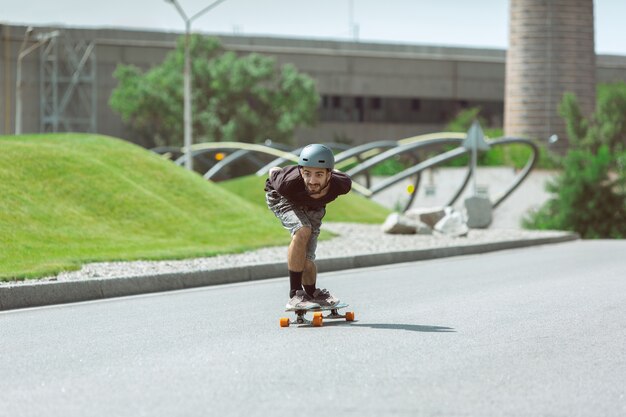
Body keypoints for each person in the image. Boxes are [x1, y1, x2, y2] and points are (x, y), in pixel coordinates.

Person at [265, 144, 352, 310]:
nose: (312, 181)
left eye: (319, 174)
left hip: (314, 206)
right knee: (303, 230)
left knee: (307, 257)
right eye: (307, 173)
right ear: (301, 171)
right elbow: (273, 170)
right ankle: (296, 294)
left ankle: (312, 293)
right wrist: (281, 172)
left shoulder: (342, 184)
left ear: (329, 174)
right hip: (282, 198)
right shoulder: (287, 182)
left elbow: (342, 175)